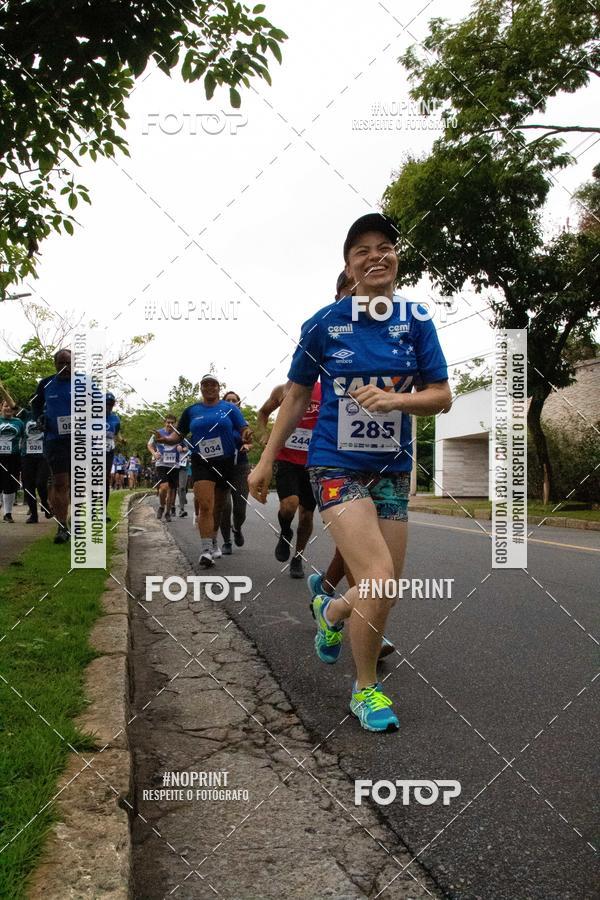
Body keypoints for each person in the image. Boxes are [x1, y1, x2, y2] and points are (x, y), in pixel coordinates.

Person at [249, 213, 451, 733]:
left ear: (397, 258)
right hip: (335, 467)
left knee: (384, 587)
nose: (376, 256)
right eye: (363, 250)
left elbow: (442, 396)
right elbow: (294, 397)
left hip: (391, 469)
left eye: (386, 247)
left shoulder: (417, 320)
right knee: (378, 577)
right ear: (348, 264)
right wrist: (267, 459)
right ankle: (366, 690)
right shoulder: (322, 325)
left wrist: (395, 398)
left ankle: (334, 613)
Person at [159, 375, 251, 567]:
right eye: (205, 385)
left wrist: (247, 435)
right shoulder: (192, 410)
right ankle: (206, 550)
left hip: (226, 462)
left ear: (219, 388)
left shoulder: (230, 409)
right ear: (201, 388)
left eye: (213, 385)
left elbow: (243, 429)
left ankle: (215, 540)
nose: (209, 388)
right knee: (206, 504)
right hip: (201, 462)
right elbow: (179, 434)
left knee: (218, 506)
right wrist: (166, 440)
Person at [256, 381, 321, 578]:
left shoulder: (326, 388)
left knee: (307, 516)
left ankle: (298, 557)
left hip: (315, 461)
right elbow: (262, 414)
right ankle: (285, 532)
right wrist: (263, 434)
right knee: (289, 505)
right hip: (287, 459)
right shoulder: (281, 389)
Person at [31, 348, 73, 544]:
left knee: (79, 484)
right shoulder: (46, 383)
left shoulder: (84, 384)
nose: (66, 367)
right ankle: (62, 526)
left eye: (69, 363)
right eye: (62, 363)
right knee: (60, 483)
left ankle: (77, 522)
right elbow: (35, 405)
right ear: (55, 364)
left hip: (79, 441)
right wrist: (38, 418)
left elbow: (97, 408)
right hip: (54, 440)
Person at [219, 390, 252, 554]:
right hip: (221, 467)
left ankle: (237, 528)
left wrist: (246, 446)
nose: (232, 403)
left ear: (239, 404)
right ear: (223, 403)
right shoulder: (217, 421)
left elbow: (249, 441)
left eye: (235, 400)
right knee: (224, 507)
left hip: (240, 467)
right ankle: (226, 541)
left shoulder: (243, 423)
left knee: (240, 509)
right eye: (228, 400)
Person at [147, 414, 181, 522]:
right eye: (168, 422)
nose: (170, 425)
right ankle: (162, 506)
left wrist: (182, 447)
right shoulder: (158, 433)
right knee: (164, 488)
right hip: (161, 463)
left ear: (175, 423)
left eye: (172, 423)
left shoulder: (179, 434)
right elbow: (149, 445)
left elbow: (186, 446)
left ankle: (167, 512)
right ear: (164, 422)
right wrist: (154, 453)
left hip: (174, 464)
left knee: (171, 490)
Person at [20, 407, 51, 523]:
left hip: (43, 456)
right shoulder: (25, 415)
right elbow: (12, 404)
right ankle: (34, 514)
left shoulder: (48, 414)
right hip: (27, 455)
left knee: (41, 483)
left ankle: (45, 503)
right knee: (28, 486)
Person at [0, 400, 25, 523]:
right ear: (1, 407)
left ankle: (7, 514)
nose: (8, 408)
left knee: (10, 484)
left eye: (10, 406)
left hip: (14, 457)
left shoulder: (19, 422)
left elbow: (25, 438)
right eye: (5, 406)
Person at [105, 392, 121, 518]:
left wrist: (121, 439)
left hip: (108, 451)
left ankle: (103, 511)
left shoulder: (115, 418)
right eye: (106, 403)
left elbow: (117, 433)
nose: (108, 406)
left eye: (111, 404)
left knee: (106, 480)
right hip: (93, 451)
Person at [176, 446, 190, 517]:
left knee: (182, 488)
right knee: (171, 488)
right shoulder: (168, 437)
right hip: (171, 465)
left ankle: (182, 509)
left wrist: (185, 449)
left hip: (183, 467)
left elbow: (189, 449)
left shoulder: (185, 440)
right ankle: (171, 508)